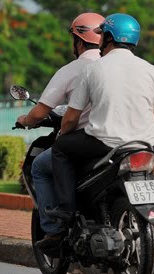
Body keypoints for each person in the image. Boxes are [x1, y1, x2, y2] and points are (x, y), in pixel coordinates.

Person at [46, 13, 154, 244]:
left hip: (103, 142)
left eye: (103, 34)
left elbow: (71, 118)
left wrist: (64, 131)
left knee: (60, 149)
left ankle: (65, 210)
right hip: (144, 144)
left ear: (109, 37)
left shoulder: (93, 69)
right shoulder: (151, 70)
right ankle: (153, 220)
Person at [15, 13, 104, 249]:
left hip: (89, 140)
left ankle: (55, 231)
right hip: (130, 140)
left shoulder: (77, 69)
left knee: (40, 166)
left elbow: (49, 114)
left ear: (78, 41)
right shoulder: (124, 68)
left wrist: (26, 120)